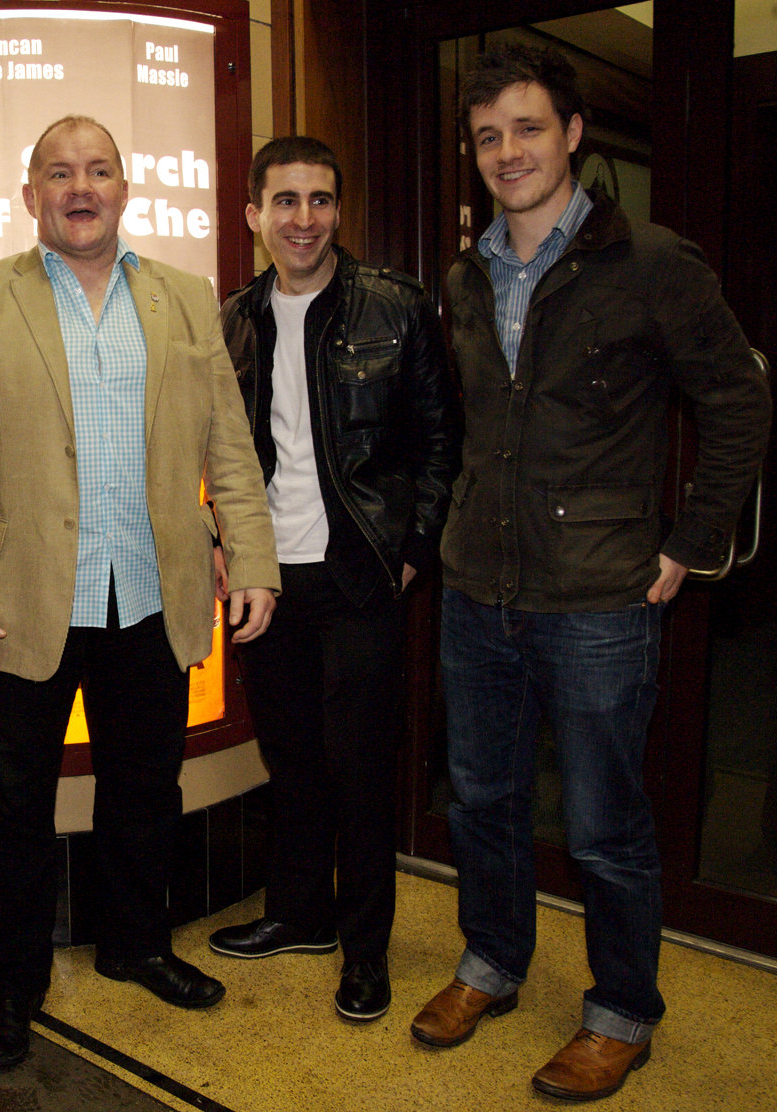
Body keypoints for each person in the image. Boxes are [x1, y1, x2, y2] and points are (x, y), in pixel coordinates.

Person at [411, 43, 771, 1102]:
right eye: (488, 136)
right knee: (482, 797)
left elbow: (739, 402)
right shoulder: (466, 274)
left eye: (528, 128)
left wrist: (692, 541)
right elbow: (478, 425)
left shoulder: (653, 260)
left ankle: (620, 1010)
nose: (508, 151)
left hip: (604, 597)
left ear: (573, 135)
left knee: (605, 822)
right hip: (479, 586)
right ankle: (492, 959)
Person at [0, 114, 280, 1072]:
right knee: (15, 807)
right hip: (20, 601)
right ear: (29, 192)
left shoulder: (188, 300)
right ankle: (11, 987)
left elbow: (228, 445)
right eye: (60, 173)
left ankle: (136, 945)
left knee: (144, 789)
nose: (82, 188)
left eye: (100, 171)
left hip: (152, 596)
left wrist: (254, 557)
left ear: (126, 187)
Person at [212, 137, 460, 1022]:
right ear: (254, 216)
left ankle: (365, 951)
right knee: (292, 760)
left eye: (320, 200)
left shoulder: (395, 307)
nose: (304, 219)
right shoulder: (233, 317)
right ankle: (299, 915)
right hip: (267, 581)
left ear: (338, 212)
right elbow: (219, 450)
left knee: (359, 770)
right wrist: (222, 543)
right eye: (285, 201)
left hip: (360, 573)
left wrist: (412, 548)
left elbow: (440, 442)